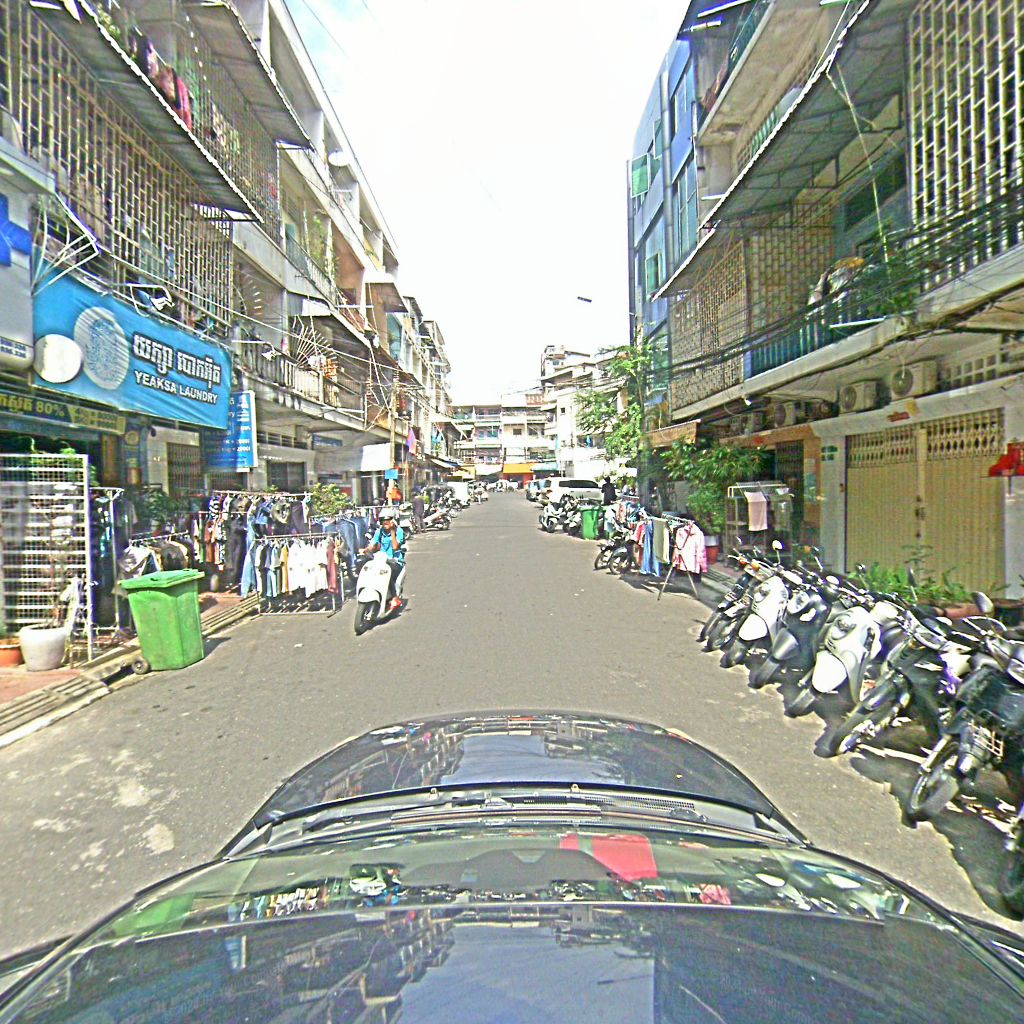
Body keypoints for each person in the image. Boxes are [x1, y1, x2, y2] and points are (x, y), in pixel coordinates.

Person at [360, 509, 406, 612]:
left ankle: (394, 598)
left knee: (387, 572)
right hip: (381, 560)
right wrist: (366, 550)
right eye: (383, 521)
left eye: (387, 520)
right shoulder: (379, 531)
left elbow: (395, 547)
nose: (385, 523)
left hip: (396, 561)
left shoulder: (399, 531)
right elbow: (373, 544)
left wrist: (392, 531)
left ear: (393, 520)